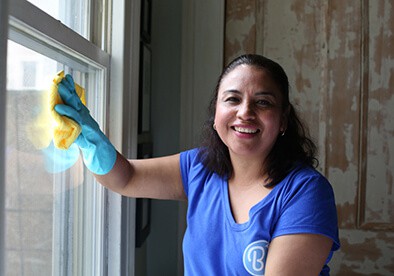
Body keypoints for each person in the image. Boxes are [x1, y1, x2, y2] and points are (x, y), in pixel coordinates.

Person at [55, 54, 340, 275]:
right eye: (232, 99)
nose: (245, 113)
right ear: (216, 114)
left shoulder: (306, 192)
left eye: (263, 102)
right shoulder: (198, 168)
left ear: (283, 121)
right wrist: (89, 139)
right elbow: (126, 179)